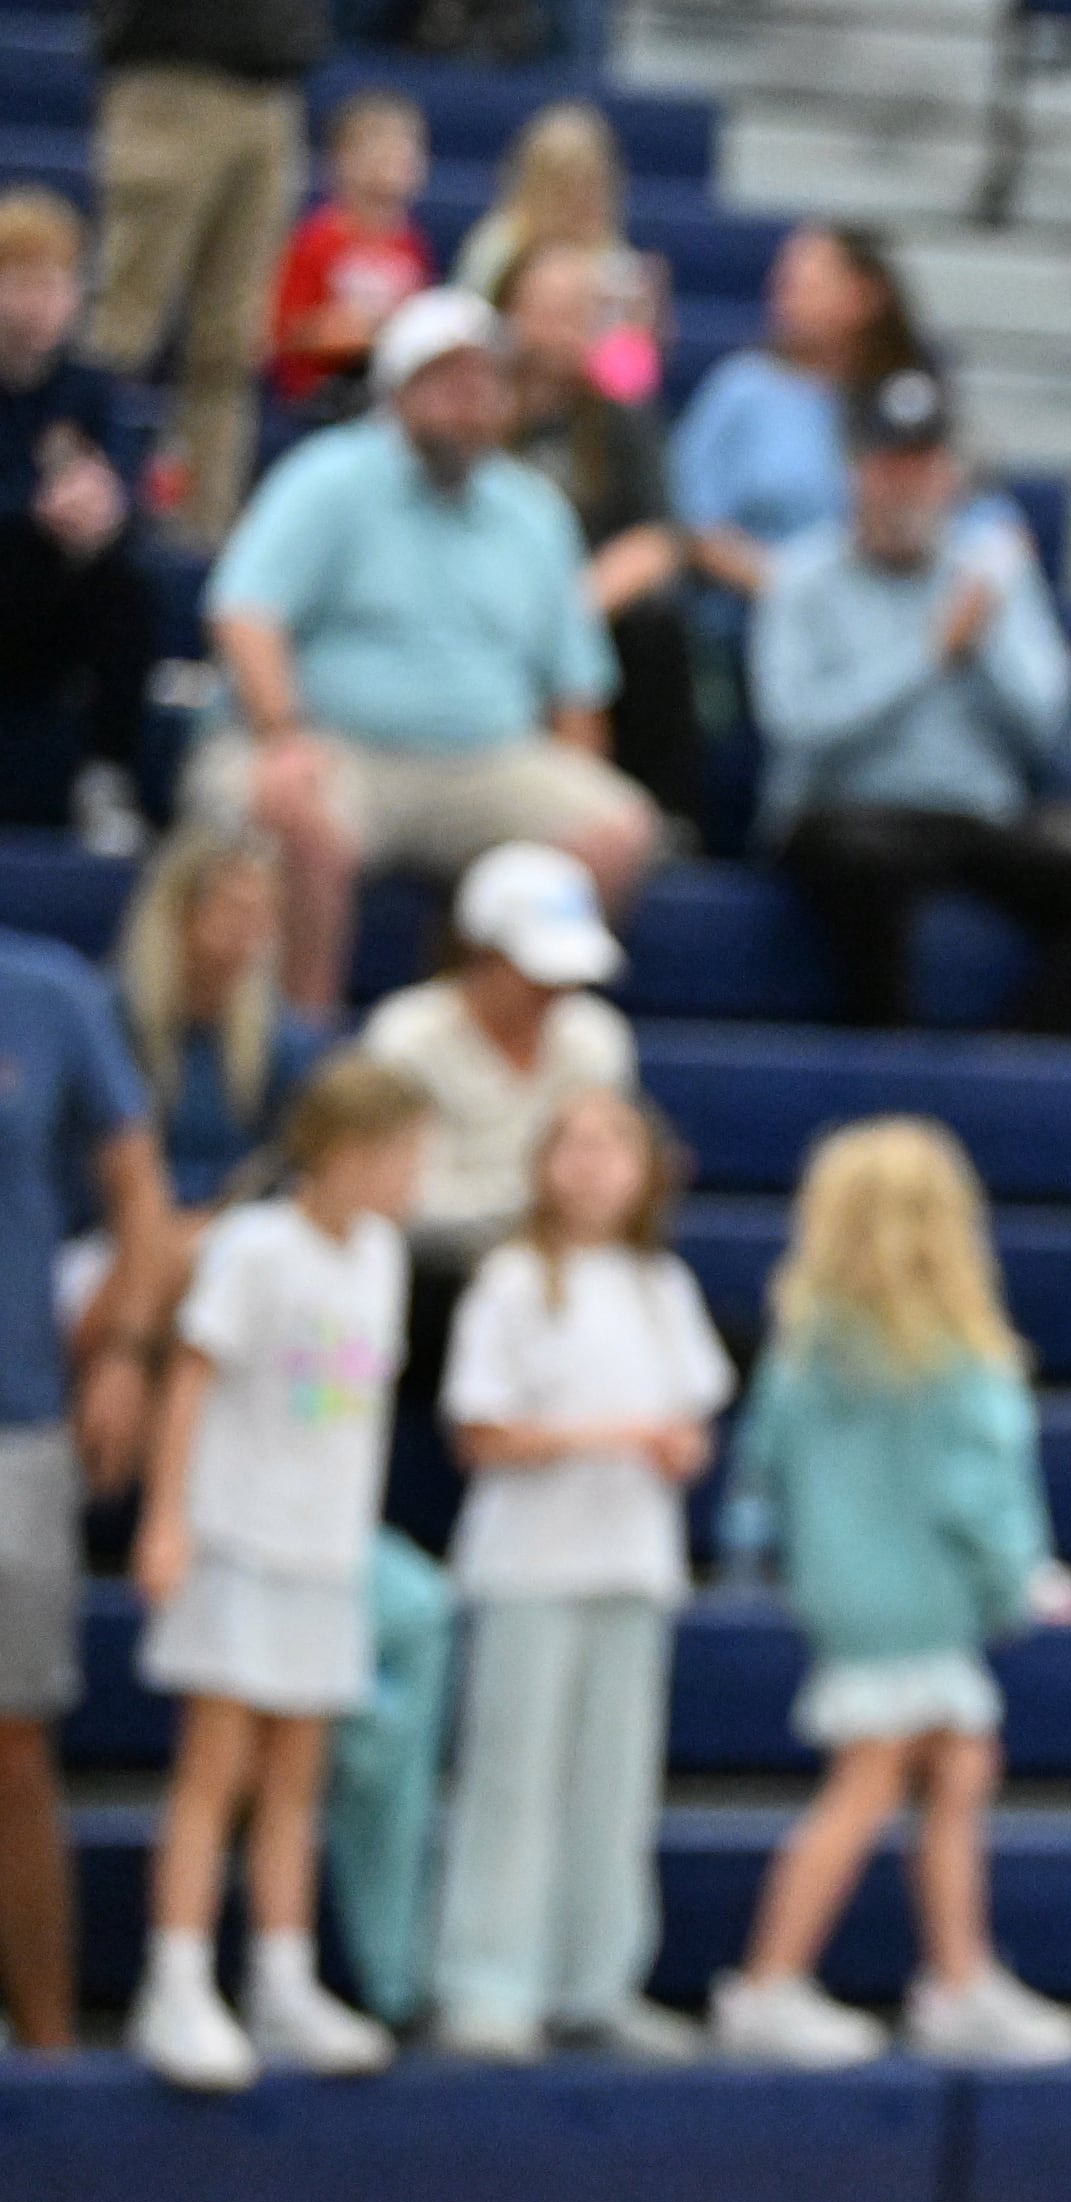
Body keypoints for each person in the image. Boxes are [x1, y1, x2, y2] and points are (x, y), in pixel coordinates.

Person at [712, 1117, 1071, 2069]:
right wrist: (1021, 1586)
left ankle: (959, 1978)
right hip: (924, 1601)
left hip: (840, 1596)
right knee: (868, 1784)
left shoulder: (803, 1351)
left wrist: (762, 1562)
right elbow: (984, 1494)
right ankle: (766, 1983)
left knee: (962, 1767)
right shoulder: (960, 1361)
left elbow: (761, 1473)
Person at [193, 288, 655, 1015]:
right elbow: (246, 614)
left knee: (616, 828)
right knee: (296, 814)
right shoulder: (328, 477)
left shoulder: (534, 511)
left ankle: (483, 1033)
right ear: (398, 389)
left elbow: (575, 685)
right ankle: (302, 1047)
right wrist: (283, 735)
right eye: (446, 380)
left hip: (481, 760)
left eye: (484, 383)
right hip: (335, 745)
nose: (468, 401)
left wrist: (577, 775)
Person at [125, 1052, 429, 2093]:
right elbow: (191, 1380)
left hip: (324, 1551)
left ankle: (282, 1976)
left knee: (298, 1779)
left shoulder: (381, 1256)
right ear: (346, 1153)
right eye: (404, 1156)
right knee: (214, 1774)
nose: (416, 1178)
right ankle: (175, 1977)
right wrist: (167, 1521)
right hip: (237, 1539)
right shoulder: (257, 1250)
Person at [429, 1086, 730, 2062]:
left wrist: (675, 1448)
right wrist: (616, 1437)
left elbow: (692, 1419)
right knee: (512, 1781)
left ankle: (598, 1980)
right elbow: (479, 1429)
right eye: (576, 1144)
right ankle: (488, 1983)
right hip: (528, 1566)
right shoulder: (513, 1279)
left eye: (614, 1145)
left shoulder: (661, 1284)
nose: (594, 1163)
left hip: (631, 1565)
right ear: (543, 1163)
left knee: (615, 1782)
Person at [754, 365, 1071, 1036]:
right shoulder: (800, 578)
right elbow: (796, 726)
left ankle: (1006, 1060)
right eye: (890, 465)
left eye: (923, 466)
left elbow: (1049, 731)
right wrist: (931, 654)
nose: (906, 486)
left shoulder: (990, 578)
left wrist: (983, 647)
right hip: (845, 813)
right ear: (855, 473)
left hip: (971, 815)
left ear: (950, 477)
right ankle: (887, 1053)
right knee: (864, 863)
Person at [360, 842, 641, 1549]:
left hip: (546, 1272)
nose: (555, 994)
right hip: (429, 1280)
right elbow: (396, 1196)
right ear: (478, 952)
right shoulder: (406, 1038)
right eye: (536, 972)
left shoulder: (598, 1041)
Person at [0, 931, 171, 2058]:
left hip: (18, 1419)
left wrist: (122, 1348)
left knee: (16, 1746)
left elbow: (142, 1208)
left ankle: (48, 2060)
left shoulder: (49, 994)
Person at [83, 0, 323, 540]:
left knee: (234, 339)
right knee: (124, 320)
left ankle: (205, 528)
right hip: (171, 75)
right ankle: (81, 500)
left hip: (271, 86)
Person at [505, 241, 703, 822]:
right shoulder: (480, 408)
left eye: (582, 311)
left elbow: (660, 540)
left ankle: (664, 814)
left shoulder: (620, 413)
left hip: (588, 608)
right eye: (552, 309)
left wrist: (571, 611)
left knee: (654, 626)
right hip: (493, 604)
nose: (568, 327)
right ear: (510, 314)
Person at [0, 190, 161, 857]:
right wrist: (31, 509)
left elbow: (122, 491)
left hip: (48, 590)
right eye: (26, 282)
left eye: (60, 283)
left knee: (130, 587)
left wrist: (105, 508)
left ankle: (106, 775)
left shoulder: (87, 388)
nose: (46, 300)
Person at [672, 224, 925, 602]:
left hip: (880, 613)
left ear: (865, 296)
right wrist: (794, 594)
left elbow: (967, 511)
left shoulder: (903, 401)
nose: (785, 294)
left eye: (807, 284)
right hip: (751, 612)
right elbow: (692, 523)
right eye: (784, 282)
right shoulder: (741, 388)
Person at [110, 826, 329, 1215]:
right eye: (235, 910)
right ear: (178, 914)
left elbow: (289, 1161)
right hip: (118, 1227)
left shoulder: (280, 1039)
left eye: (266, 914)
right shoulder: (108, 1019)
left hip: (232, 1231)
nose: (253, 933)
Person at [450, 100, 665, 405]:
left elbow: (632, 381)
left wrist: (642, 335)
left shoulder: (618, 262)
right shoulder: (497, 245)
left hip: (588, 410)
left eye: (590, 180)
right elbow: (465, 337)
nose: (580, 193)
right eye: (565, 179)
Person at [265, 88, 429, 412]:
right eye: (379, 155)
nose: (393, 166)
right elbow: (286, 329)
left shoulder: (411, 242)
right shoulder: (316, 239)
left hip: (382, 386)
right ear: (340, 162)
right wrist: (352, 332)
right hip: (322, 386)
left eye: (403, 155)